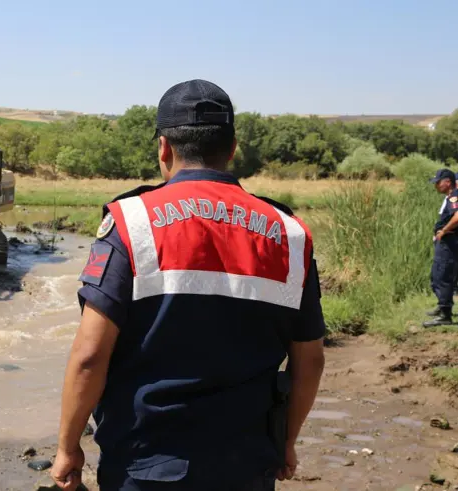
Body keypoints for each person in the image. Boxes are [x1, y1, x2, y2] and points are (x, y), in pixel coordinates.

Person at [51, 79, 326, 491]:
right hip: (247, 465)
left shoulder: (132, 224)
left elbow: (90, 355)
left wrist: (68, 446)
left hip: (145, 465)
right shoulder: (289, 234)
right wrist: (287, 441)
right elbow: (311, 362)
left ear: (164, 148)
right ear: (232, 149)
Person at [424, 168, 458, 327]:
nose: (436, 185)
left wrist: (444, 230)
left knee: (442, 275)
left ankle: (445, 315)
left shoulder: (454, 196)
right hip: (446, 241)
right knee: (438, 275)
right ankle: (443, 307)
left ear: (448, 182)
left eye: (438, 182)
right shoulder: (451, 196)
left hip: (449, 242)